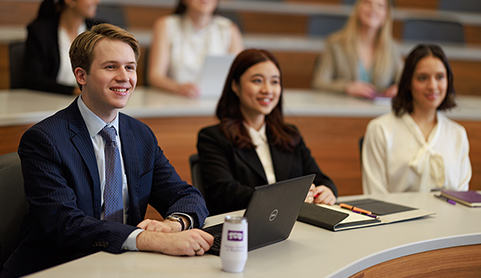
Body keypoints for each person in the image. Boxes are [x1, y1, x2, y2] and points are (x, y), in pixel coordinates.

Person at [3, 24, 212, 278]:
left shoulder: (140, 135)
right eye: (111, 66)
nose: (125, 77)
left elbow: (186, 195)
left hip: (121, 265)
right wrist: (151, 240)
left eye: (130, 67)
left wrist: (174, 224)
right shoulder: (44, 139)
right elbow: (65, 224)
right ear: (81, 75)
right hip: (59, 266)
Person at [197, 49, 338, 216]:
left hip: (295, 224)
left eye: (274, 82)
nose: (267, 90)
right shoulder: (213, 137)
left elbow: (318, 177)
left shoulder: (289, 134)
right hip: (245, 227)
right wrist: (284, 197)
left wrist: (326, 190)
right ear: (235, 86)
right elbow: (225, 193)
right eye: (257, 81)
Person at [362, 44, 472, 194]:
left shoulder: (457, 134)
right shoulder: (380, 129)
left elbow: (461, 198)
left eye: (440, 77)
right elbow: (375, 197)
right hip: (395, 218)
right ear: (408, 83)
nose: (433, 86)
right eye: (422, 78)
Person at [148, 0, 243, 98]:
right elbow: (155, 76)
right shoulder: (166, 25)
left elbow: (239, 75)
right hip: (174, 98)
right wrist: (178, 88)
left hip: (216, 100)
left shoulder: (229, 29)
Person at [312, 0, 403, 99]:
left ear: (387, 14)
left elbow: (405, 81)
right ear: (358, 8)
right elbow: (319, 82)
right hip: (345, 109)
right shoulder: (335, 44)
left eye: (380, 6)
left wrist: (398, 88)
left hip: (379, 111)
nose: (373, 9)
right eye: (368, 3)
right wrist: (346, 87)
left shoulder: (392, 48)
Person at [22, 0, 101, 95]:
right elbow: (33, 79)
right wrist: (73, 91)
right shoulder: (40, 32)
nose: (97, 1)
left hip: (93, 102)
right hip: (52, 101)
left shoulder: (99, 31)